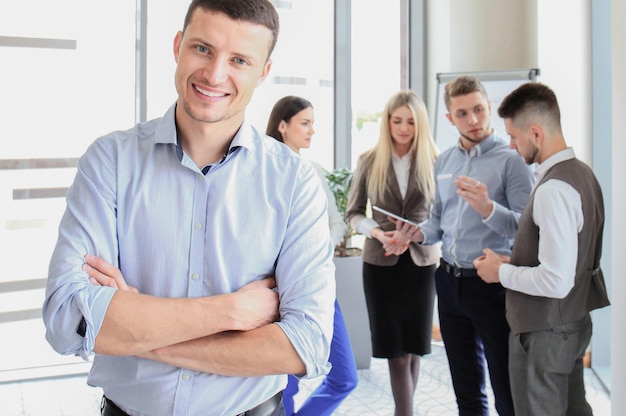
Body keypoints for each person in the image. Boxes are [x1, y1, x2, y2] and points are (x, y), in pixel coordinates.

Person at [41, 1, 337, 415]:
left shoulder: (294, 183)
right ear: (178, 46)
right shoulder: (109, 161)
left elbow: (304, 344)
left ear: (263, 71)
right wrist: (230, 311)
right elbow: (68, 319)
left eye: (239, 59)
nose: (215, 74)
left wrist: (135, 331)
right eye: (202, 49)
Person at [395, 76, 534, 415]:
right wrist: (417, 233)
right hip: (449, 282)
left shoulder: (512, 160)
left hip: (491, 286)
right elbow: (438, 220)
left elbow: (526, 229)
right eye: (462, 114)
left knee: (506, 387)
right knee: (465, 387)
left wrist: (488, 208)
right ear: (449, 119)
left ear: (489, 109)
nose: (473, 120)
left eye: (479, 110)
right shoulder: (444, 163)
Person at [474, 82, 610, 415]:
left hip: (545, 332)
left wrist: (499, 272)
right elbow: (568, 259)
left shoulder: (554, 189)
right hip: (573, 321)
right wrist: (513, 261)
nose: (511, 145)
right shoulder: (583, 174)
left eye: (514, 136)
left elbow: (556, 281)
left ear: (535, 133)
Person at [345, 90, 440, 416]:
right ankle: (406, 413)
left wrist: (417, 231)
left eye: (411, 122)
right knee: (396, 351)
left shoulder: (436, 160)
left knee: (414, 348)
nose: (403, 128)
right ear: (387, 122)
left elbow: (443, 213)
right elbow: (354, 213)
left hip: (420, 263)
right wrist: (377, 231)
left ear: (420, 124)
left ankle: (405, 411)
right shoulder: (370, 160)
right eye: (397, 120)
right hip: (382, 264)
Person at [265, 95, 358, 416]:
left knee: (345, 378)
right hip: (275, 294)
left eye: (312, 124)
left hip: (318, 288)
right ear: (282, 125)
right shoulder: (262, 171)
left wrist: (312, 250)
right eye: (305, 123)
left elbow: (336, 224)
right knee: (283, 387)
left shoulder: (315, 171)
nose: (312, 131)